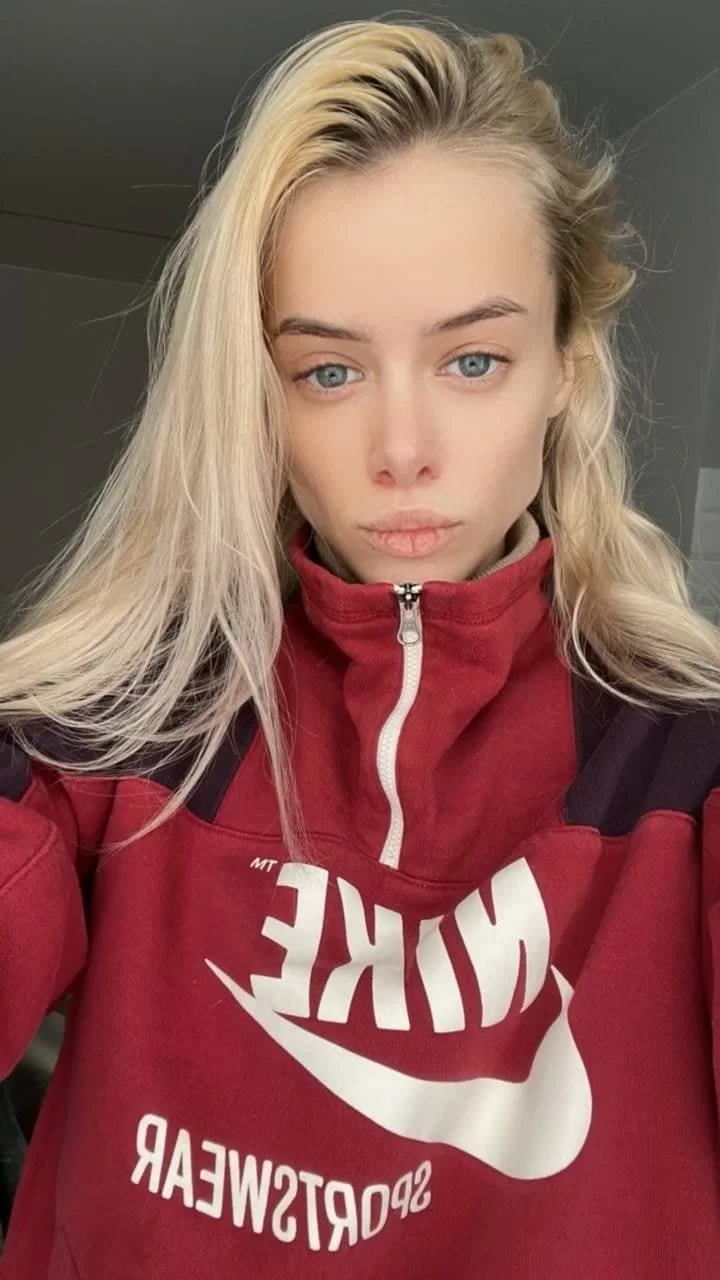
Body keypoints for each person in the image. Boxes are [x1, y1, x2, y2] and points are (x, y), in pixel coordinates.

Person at [1, 14, 720, 1277]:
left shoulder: (686, 771)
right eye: (328, 372)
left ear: (565, 367)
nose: (401, 449)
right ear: (257, 396)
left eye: (473, 359)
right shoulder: (113, 739)